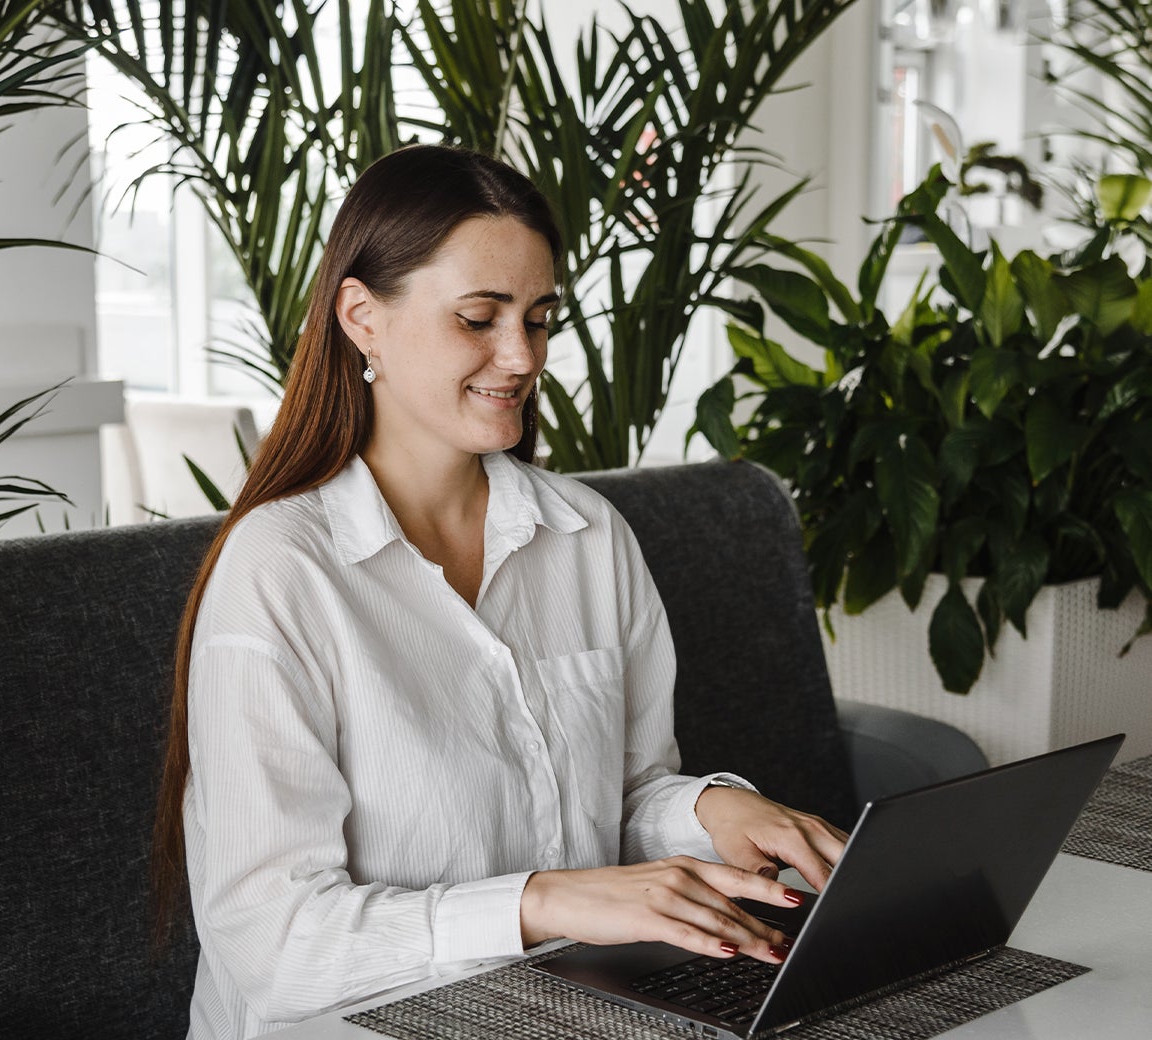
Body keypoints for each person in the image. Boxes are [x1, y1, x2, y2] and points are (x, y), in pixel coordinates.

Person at [149, 144, 849, 1040]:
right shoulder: (282, 573)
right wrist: (543, 903)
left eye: (540, 319)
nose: (519, 357)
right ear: (362, 317)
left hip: (561, 1010)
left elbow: (620, 795)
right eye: (478, 318)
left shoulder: (589, 537)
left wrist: (714, 809)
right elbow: (279, 949)